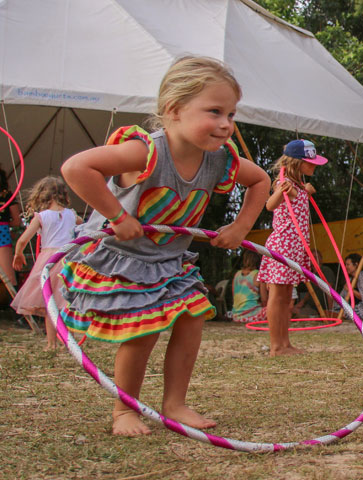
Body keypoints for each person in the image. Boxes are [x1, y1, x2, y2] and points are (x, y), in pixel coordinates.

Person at [59, 56, 270, 436]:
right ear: (173, 110)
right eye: (215, 111)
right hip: (124, 258)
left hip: (170, 259)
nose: (226, 124)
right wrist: (117, 216)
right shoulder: (145, 153)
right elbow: (76, 168)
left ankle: (175, 404)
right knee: (144, 332)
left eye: (231, 114)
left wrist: (241, 226)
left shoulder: (221, 160)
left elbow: (261, 181)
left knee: (192, 318)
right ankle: (125, 411)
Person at [257, 139, 327, 356]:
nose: (314, 165)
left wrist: (306, 190)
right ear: (297, 162)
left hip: (295, 247)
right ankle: (276, 346)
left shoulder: (298, 185)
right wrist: (281, 191)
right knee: (277, 296)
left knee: (287, 297)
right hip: (283, 247)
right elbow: (269, 205)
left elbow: (299, 200)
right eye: (310, 162)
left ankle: (285, 343)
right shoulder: (284, 182)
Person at [10, 176, 82, 349]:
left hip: (49, 260)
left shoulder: (42, 216)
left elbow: (22, 240)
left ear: (42, 196)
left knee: (51, 303)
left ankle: (51, 344)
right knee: (65, 302)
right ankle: (69, 341)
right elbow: (84, 227)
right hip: (68, 259)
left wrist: (18, 254)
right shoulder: (72, 215)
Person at [292, 249, 337, 318]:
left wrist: (330, 310)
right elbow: (310, 292)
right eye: (311, 257)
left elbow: (329, 291)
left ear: (321, 259)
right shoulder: (310, 274)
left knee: (299, 314)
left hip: (320, 308)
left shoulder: (326, 271)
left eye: (315, 257)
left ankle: (314, 316)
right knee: (293, 310)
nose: (313, 259)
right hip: (311, 306)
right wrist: (301, 303)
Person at [231, 249, 267, 323]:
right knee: (275, 307)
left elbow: (234, 295)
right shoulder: (258, 275)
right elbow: (264, 300)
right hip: (251, 315)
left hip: (236, 316)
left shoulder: (237, 274)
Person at [0, 168, 22, 290]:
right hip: (2, 231)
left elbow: (17, 221)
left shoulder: (7, 195)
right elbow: (16, 221)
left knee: (8, 274)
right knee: (8, 274)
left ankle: (11, 303)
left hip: (2, 232)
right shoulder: (7, 195)